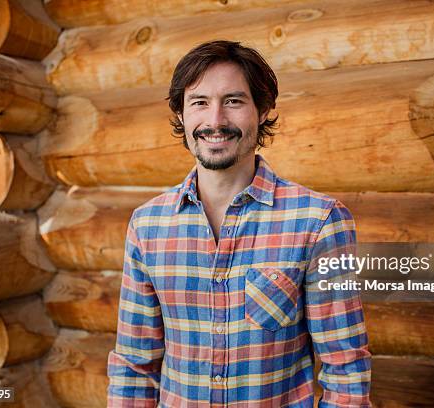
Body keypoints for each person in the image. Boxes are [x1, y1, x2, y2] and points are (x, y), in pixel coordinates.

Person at [107, 40, 371, 407]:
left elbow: (346, 370)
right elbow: (134, 367)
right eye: (199, 102)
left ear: (262, 110)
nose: (215, 121)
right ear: (181, 114)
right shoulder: (147, 225)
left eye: (233, 101)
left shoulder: (319, 221)